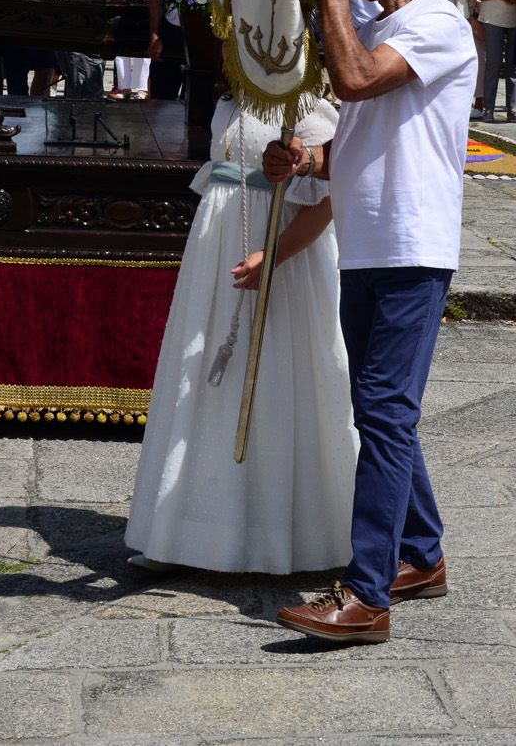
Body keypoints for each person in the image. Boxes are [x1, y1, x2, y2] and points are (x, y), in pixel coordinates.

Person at [263, 0, 476, 646]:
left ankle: (365, 593)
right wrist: (308, 159)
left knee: (385, 411)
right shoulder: (389, 24)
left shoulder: (439, 23)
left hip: (411, 246)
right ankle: (419, 552)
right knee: (377, 406)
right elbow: (366, 129)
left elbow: (353, 80)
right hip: (371, 240)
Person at [125, 94, 356, 574]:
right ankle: (185, 533)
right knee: (205, 390)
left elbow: (326, 203)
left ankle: (281, 536)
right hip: (216, 268)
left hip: (281, 267)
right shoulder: (226, 106)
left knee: (274, 385)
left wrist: (273, 255)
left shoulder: (309, 111)